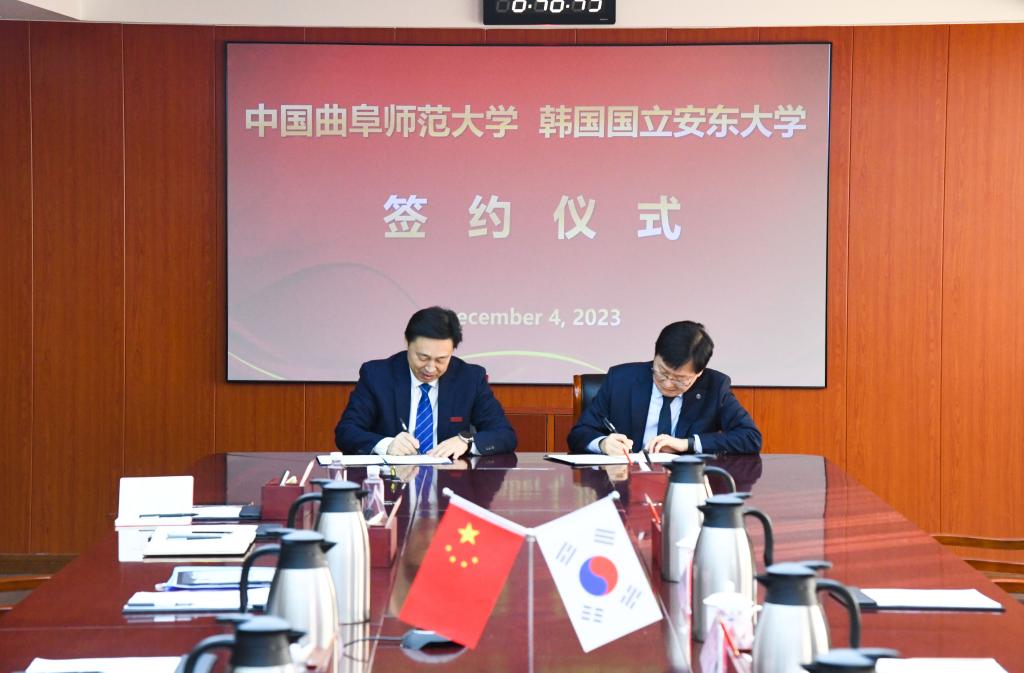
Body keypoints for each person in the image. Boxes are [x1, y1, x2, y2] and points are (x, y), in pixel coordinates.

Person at [335, 306, 517, 458]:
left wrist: (467, 442)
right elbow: (347, 431)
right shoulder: (378, 375)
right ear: (407, 342)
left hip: (451, 482)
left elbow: (504, 434)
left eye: (441, 359)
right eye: (423, 357)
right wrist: (386, 445)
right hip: (393, 482)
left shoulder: (469, 378)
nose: (430, 368)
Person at [567, 320, 761, 455]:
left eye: (680, 379)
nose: (667, 384)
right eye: (662, 372)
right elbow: (579, 433)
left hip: (685, 484)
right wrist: (603, 444)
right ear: (655, 355)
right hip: (625, 482)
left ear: (699, 372)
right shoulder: (621, 380)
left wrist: (687, 444)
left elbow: (750, 437)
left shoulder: (715, 387)